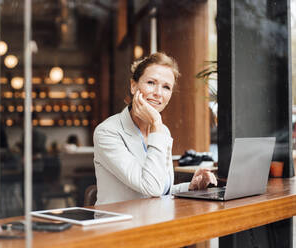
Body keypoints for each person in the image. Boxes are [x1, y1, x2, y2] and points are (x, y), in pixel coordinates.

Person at [93, 52, 217, 205]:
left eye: (166, 87)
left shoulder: (162, 131)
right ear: (133, 86)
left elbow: (159, 188)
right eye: (151, 82)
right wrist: (156, 122)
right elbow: (151, 187)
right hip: (120, 225)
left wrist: (190, 187)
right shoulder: (107, 132)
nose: (158, 93)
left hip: (155, 220)